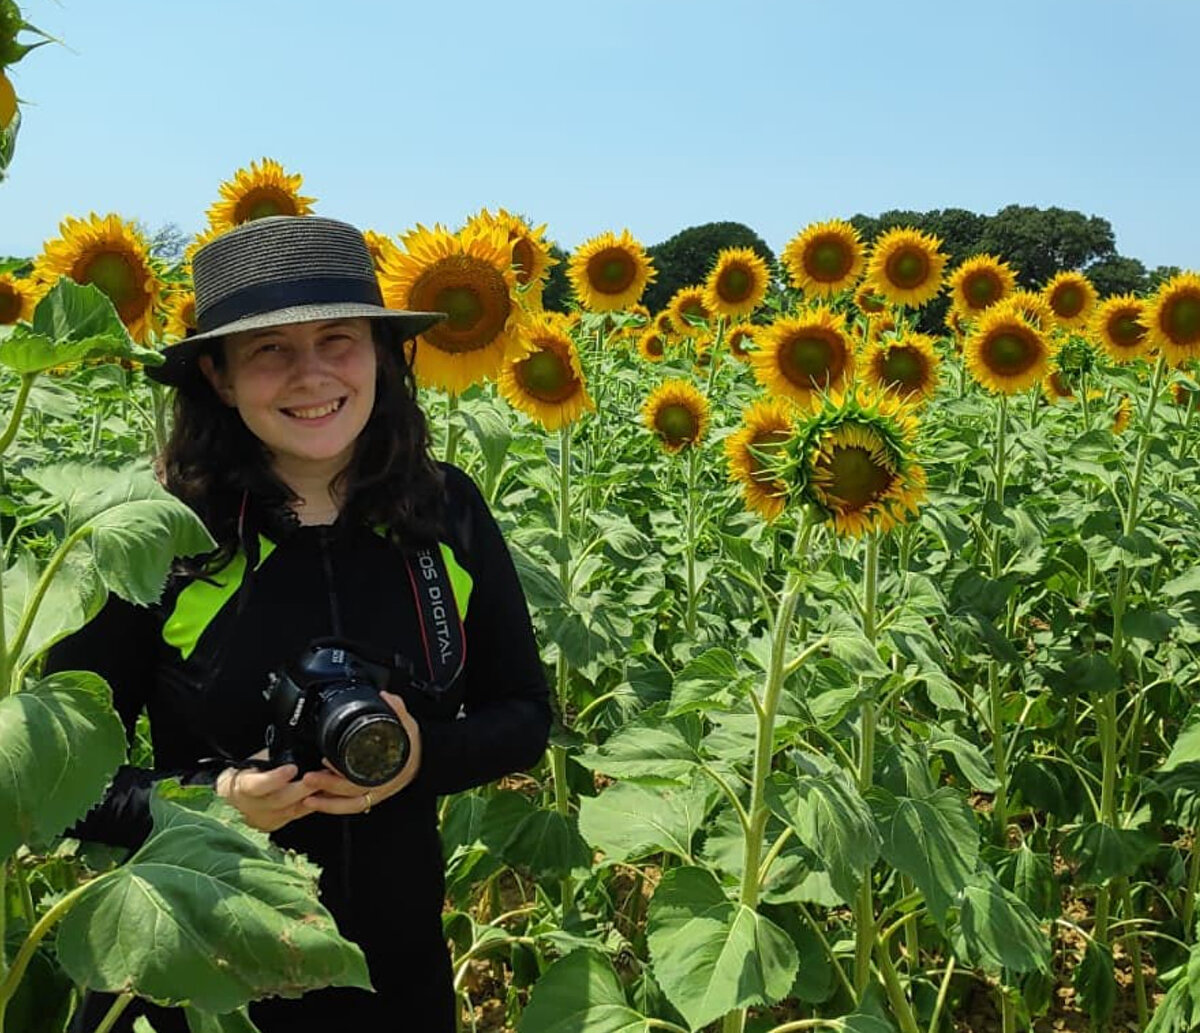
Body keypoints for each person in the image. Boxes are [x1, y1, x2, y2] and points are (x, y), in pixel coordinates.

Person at [52, 215, 552, 1032]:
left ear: (382, 355)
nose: (312, 375)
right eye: (270, 350)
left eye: (337, 339)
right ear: (217, 376)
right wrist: (214, 798)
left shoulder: (445, 510)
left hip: (395, 977)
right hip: (207, 973)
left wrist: (421, 755)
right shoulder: (158, 533)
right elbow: (66, 785)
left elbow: (524, 715)